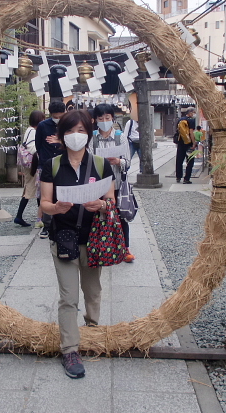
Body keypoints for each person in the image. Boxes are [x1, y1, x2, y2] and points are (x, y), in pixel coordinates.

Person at [39, 109, 115, 379]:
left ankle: (92, 332)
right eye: (70, 131)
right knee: (69, 297)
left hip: (93, 239)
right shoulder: (53, 165)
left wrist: (103, 204)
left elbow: (111, 199)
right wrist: (56, 208)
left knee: (93, 291)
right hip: (64, 238)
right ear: (61, 136)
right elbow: (44, 204)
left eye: (81, 130)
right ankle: (70, 349)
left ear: (90, 133)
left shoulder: (101, 164)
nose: (76, 136)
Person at [89, 104, 134, 263]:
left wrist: (118, 161)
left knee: (120, 217)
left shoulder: (120, 137)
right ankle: (98, 246)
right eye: (100, 118)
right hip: (98, 185)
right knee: (97, 216)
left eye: (107, 118)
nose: (104, 121)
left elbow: (127, 162)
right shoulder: (92, 138)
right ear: (95, 120)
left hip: (116, 185)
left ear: (112, 118)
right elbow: (87, 161)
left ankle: (125, 248)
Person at [35, 101, 66, 239]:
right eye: (55, 116)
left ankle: (63, 223)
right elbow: (38, 144)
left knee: (64, 193)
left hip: (64, 162)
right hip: (47, 163)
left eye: (60, 116)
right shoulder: (42, 126)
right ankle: (46, 226)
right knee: (46, 196)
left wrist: (60, 141)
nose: (57, 119)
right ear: (50, 114)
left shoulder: (67, 125)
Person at [13, 110, 45, 227]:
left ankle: (37, 217)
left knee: (34, 189)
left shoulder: (29, 130)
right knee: (34, 190)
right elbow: (33, 148)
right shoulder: (33, 131)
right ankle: (34, 217)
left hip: (29, 164)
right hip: (33, 164)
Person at [175, 107, 197, 184]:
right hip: (189, 144)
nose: (194, 114)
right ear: (190, 113)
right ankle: (186, 178)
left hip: (180, 143)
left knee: (179, 160)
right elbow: (191, 132)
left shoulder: (180, 120)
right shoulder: (191, 120)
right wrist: (194, 143)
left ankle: (178, 177)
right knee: (190, 161)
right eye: (194, 112)